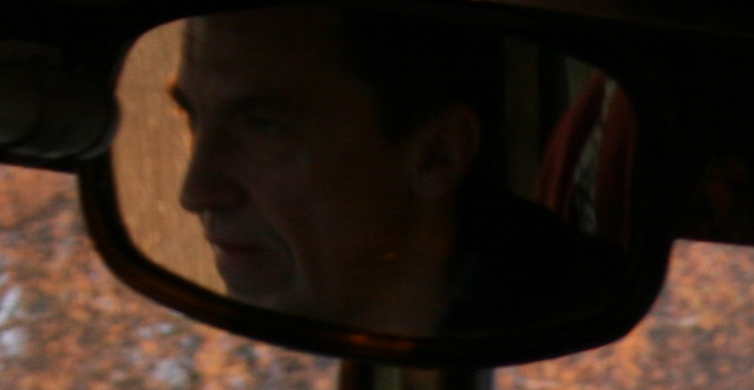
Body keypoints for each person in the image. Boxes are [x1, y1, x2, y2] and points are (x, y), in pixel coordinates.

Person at [170, 7, 623, 337]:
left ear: (435, 156)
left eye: (264, 128)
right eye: (193, 119)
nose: (195, 192)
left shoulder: (582, 323)